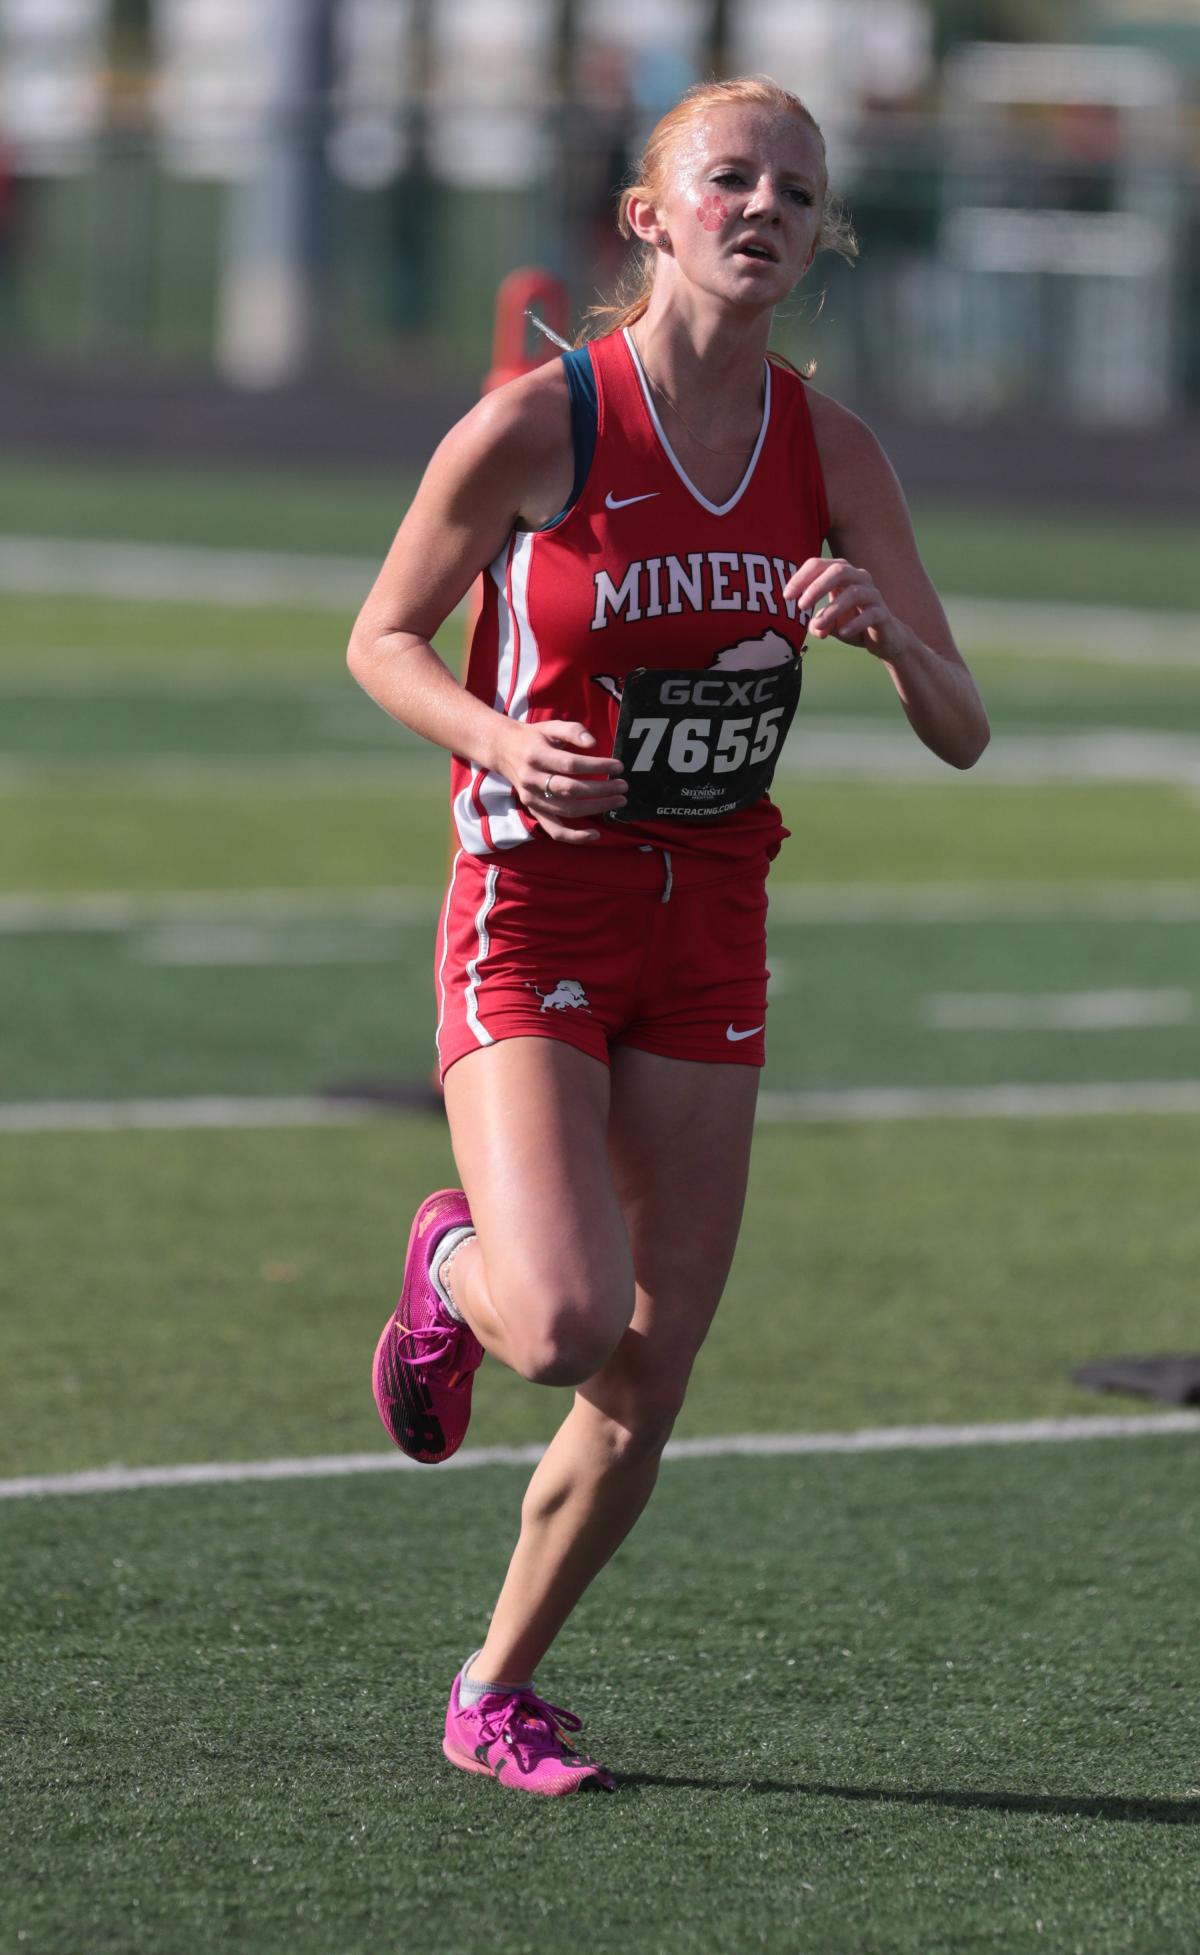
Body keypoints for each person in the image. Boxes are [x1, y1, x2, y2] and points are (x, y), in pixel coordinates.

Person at [347, 74, 989, 1799]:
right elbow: (382, 639)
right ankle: (446, 1266)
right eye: (730, 178)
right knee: (558, 1323)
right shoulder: (537, 424)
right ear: (652, 216)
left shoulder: (831, 450)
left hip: (709, 920)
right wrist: (499, 740)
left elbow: (964, 723)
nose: (765, 208)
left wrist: (888, 641)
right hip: (536, 900)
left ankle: (496, 1688)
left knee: (651, 1363)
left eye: (797, 189)